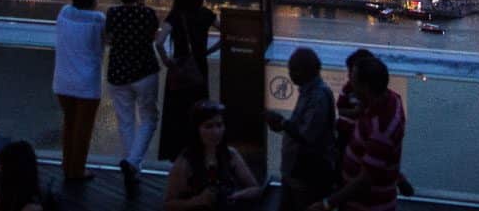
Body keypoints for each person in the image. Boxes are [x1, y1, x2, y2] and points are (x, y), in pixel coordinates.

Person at [310, 55, 405, 211]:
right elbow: (384, 157)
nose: (350, 84)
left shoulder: (380, 129)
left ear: (366, 87)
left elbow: (364, 182)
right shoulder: (392, 100)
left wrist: (327, 204)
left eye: (353, 80)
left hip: (367, 206)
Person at [107, 0, 161, 196]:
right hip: (144, 71)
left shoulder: (112, 13)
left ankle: (132, 165)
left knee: (125, 121)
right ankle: (133, 163)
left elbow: (109, 38)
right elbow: (152, 37)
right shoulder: (147, 14)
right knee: (149, 118)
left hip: (118, 72)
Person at [156, 0, 219, 161]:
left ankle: (176, 156)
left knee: (177, 115)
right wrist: (208, 52)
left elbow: (159, 42)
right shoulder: (206, 14)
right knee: (198, 114)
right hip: (199, 69)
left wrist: (167, 61)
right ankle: (197, 155)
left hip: (179, 70)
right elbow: (227, 33)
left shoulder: (175, 15)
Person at [265, 47, 336, 211]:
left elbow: (307, 135)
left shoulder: (317, 96)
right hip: (297, 173)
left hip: (306, 175)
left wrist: (281, 123)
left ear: (304, 71)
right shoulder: (309, 92)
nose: (290, 74)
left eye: (293, 70)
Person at [163, 100, 265, 210]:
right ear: (197, 130)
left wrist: (236, 195)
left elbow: (256, 189)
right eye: (209, 126)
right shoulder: (186, 161)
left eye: (219, 125)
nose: (216, 132)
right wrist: (197, 201)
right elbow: (169, 204)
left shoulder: (230, 154)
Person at [52, 0, 105, 181]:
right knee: (83, 130)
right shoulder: (98, 19)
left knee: (69, 125)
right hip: (87, 85)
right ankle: (77, 170)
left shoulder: (64, 13)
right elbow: (106, 39)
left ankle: (67, 166)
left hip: (62, 82)